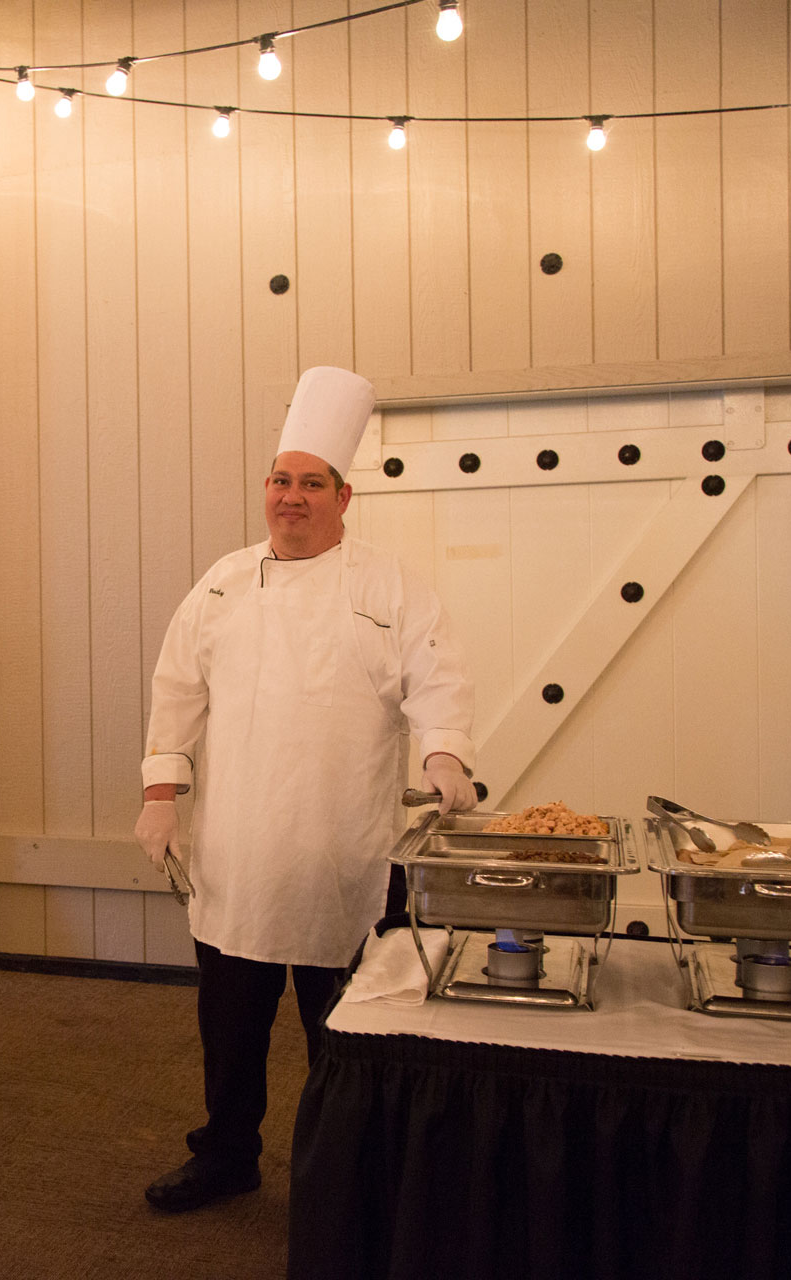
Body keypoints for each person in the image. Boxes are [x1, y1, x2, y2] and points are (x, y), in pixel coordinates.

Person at [133, 365, 476, 1213]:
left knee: (348, 1035)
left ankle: (353, 1173)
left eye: (311, 483)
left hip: (344, 849)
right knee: (231, 1029)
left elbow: (437, 675)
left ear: (343, 496)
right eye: (280, 480)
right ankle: (226, 1155)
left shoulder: (389, 586)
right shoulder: (221, 583)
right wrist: (161, 791)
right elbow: (177, 690)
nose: (292, 497)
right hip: (239, 849)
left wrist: (444, 754)